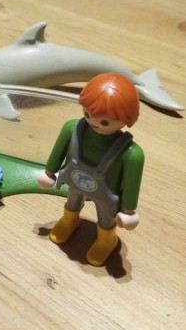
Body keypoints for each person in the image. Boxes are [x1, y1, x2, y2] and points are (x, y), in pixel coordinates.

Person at [38, 73, 145, 266]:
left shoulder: (131, 153)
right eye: (88, 114)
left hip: (106, 192)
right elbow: (58, 152)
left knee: (106, 216)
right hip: (74, 180)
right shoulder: (72, 129)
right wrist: (49, 172)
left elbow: (131, 183)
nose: (94, 121)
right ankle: (69, 221)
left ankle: (106, 240)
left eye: (105, 121)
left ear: (127, 119)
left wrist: (128, 210)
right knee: (72, 201)